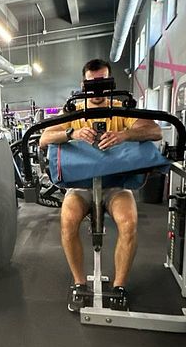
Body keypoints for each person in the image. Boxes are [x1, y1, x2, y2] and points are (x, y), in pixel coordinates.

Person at [39, 59, 162, 312]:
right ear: (83, 85)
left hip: (115, 185)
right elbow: (44, 138)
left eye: (103, 82)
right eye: (92, 84)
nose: (97, 89)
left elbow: (155, 131)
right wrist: (71, 133)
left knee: (129, 223)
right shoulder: (74, 112)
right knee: (68, 221)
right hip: (82, 186)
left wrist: (124, 135)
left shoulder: (120, 110)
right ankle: (79, 283)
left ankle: (119, 286)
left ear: (110, 83)